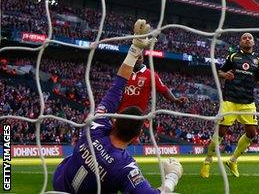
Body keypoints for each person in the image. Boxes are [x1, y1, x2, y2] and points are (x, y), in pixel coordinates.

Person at [53, 19, 183, 193]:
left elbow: (117, 85)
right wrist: (172, 177)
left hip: (59, 185)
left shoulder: (94, 126)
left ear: (114, 122)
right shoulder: (126, 168)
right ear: (138, 134)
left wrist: (134, 48)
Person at [200, 33, 259, 178]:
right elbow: (220, 70)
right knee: (221, 132)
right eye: (244, 38)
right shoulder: (233, 56)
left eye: (250, 38)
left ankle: (233, 160)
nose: (247, 39)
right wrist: (225, 75)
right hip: (230, 100)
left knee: (252, 133)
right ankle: (207, 161)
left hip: (248, 101)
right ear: (240, 42)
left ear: (253, 42)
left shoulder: (258, 61)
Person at [118, 53, 188, 114]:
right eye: (134, 58)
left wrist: (175, 99)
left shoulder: (151, 75)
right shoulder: (124, 71)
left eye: (139, 58)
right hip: (120, 113)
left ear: (143, 58)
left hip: (137, 116)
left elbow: (164, 90)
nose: (136, 60)